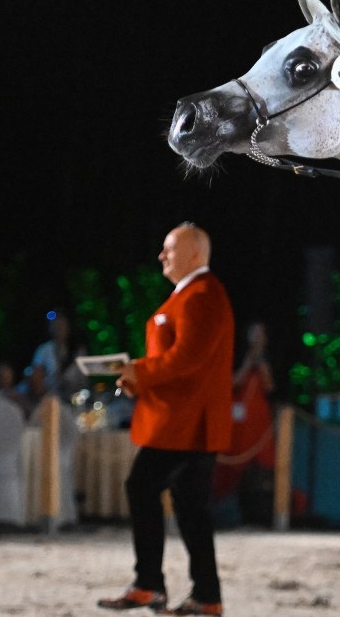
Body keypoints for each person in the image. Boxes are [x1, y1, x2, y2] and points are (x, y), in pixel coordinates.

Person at [97, 223, 233, 616]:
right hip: (184, 421)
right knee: (189, 507)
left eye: (168, 249)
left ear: (194, 254)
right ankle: (205, 597)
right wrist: (140, 379)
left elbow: (188, 359)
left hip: (184, 424)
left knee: (141, 487)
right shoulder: (193, 294)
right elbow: (184, 363)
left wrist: (139, 370)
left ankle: (150, 585)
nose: (162, 256)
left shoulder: (202, 293)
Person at [210, 321, 276, 512]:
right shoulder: (238, 356)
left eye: (261, 335)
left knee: (262, 464)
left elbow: (269, 386)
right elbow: (234, 383)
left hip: (258, 421)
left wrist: (261, 362)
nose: (258, 339)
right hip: (237, 421)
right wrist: (249, 361)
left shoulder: (267, 359)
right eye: (255, 334)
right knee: (231, 463)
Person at [29, 311, 86, 405]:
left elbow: (84, 379)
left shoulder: (78, 351)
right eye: (56, 325)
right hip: (51, 399)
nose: (59, 328)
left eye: (62, 325)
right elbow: (36, 375)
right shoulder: (43, 350)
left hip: (75, 400)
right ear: (50, 328)